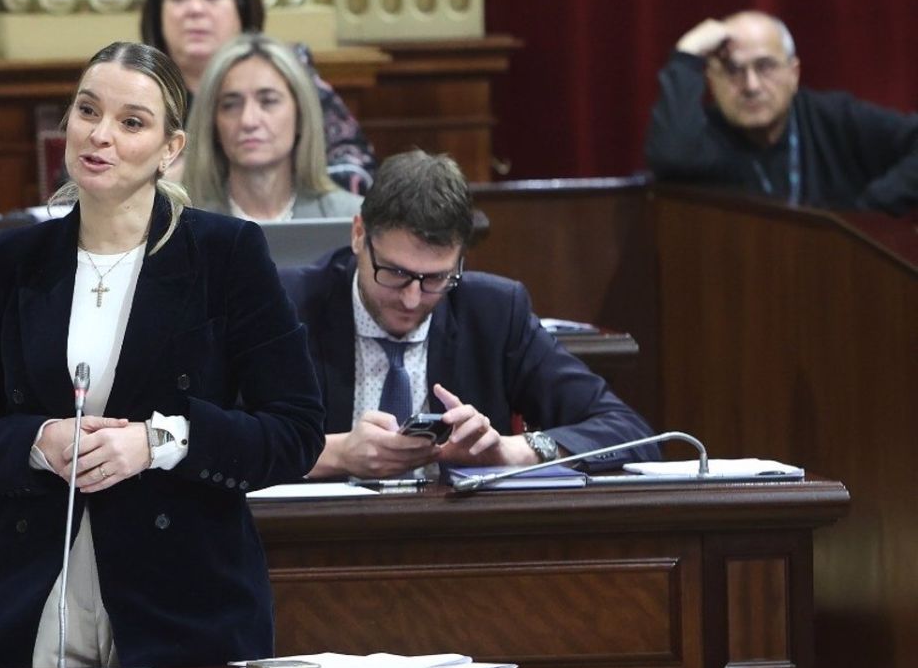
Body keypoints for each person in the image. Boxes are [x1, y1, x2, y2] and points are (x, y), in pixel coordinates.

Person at [0, 42, 325, 668]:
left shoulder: (226, 256)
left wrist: (160, 441)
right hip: (38, 589)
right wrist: (40, 441)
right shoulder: (8, 262)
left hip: (187, 598)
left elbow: (297, 432)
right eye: (87, 111)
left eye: (131, 122)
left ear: (171, 149)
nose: (99, 135)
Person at [280, 150, 658, 480]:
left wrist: (512, 452)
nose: (412, 299)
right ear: (360, 235)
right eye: (395, 273)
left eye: (435, 278)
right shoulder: (289, 304)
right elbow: (224, 439)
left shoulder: (494, 311)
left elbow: (630, 433)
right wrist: (333, 454)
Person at [140, 0, 376, 193]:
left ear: (242, 10)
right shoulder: (140, 89)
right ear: (157, 15)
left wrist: (280, 183)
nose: (195, 9)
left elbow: (357, 170)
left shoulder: (287, 75)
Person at [644, 11, 918, 215]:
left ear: (793, 74)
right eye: (733, 71)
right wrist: (686, 55)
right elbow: (670, 156)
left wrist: (866, 213)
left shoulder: (834, 118)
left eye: (765, 67)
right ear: (711, 82)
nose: (751, 86)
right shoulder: (706, 134)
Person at [182, 34, 362, 221]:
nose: (248, 121)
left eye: (268, 101)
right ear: (213, 124)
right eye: (230, 105)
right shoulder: (184, 223)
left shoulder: (351, 217)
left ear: (300, 116)